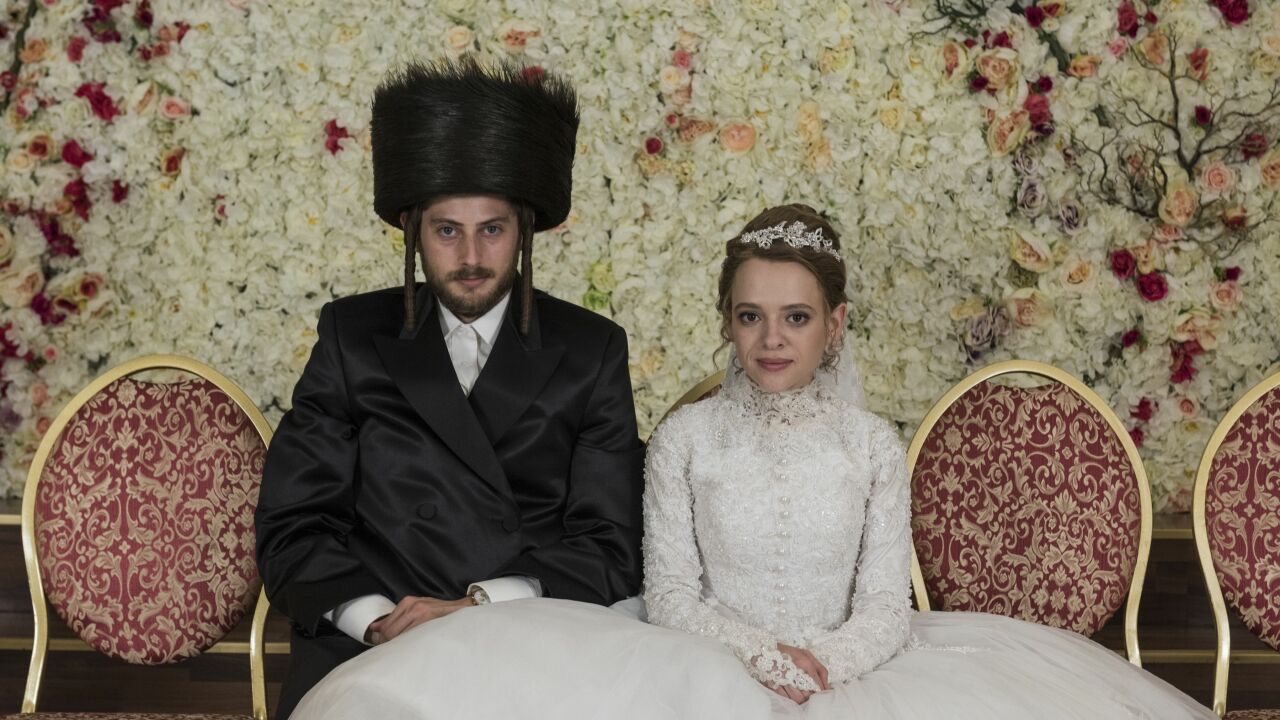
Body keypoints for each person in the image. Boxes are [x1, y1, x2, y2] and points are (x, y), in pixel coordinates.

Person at [287, 204, 1215, 720]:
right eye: (751, 317)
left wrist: (821, 665)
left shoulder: (871, 445)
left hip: (857, 671)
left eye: (796, 318)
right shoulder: (687, 440)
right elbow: (670, 591)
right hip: (706, 662)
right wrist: (762, 660)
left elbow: (885, 604)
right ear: (727, 324)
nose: (772, 339)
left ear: (834, 326)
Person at [254, 58, 645, 720]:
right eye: (447, 230)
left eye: (491, 229)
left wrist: (479, 607)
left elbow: (610, 544)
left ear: (523, 231)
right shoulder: (350, 336)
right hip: (369, 647)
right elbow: (294, 523)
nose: (470, 257)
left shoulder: (592, 349)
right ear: (413, 230)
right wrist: (378, 621)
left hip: (535, 640)